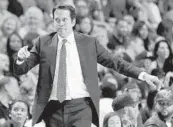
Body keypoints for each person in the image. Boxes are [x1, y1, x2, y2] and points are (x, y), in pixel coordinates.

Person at [14, 4, 161, 127]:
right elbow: (21, 69)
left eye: (64, 19)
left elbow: (116, 62)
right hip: (52, 108)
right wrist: (20, 59)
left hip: (80, 107)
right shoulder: (43, 42)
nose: (60, 23)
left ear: (72, 22)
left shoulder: (89, 43)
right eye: (56, 20)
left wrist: (143, 74)